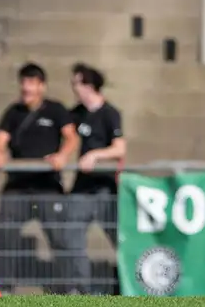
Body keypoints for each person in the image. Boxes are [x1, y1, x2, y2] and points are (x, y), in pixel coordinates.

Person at [0, 62, 78, 292]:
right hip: (17, 186)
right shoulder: (13, 112)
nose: (26, 88)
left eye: (31, 83)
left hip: (47, 187)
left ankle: (66, 289)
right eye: (24, 83)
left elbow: (72, 138)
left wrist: (62, 156)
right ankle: (5, 289)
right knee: (6, 238)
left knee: (60, 239)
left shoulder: (56, 110)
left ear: (42, 86)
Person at [61, 62, 125, 294]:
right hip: (82, 188)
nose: (73, 87)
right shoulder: (76, 114)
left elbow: (120, 148)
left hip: (105, 188)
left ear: (88, 85)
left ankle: (126, 286)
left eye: (76, 82)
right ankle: (86, 290)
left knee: (122, 239)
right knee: (71, 237)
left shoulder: (110, 113)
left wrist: (95, 155)